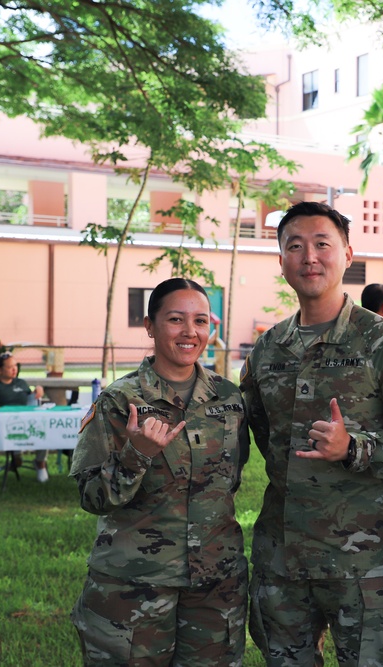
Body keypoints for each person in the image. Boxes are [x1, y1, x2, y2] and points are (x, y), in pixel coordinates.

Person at [240, 200, 383, 667]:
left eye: (322, 244)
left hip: (362, 561)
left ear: (348, 255)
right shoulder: (269, 350)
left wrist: (354, 449)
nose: (309, 256)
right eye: (295, 246)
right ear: (282, 261)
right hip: (283, 559)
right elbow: (256, 428)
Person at [69, 278, 249, 666]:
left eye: (201, 321)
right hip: (135, 586)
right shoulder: (119, 401)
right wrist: (137, 455)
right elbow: (92, 498)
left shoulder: (228, 398)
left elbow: (231, 478)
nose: (190, 332)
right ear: (150, 326)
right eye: (175, 319)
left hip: (216, 585)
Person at [0, 352, 48, 481]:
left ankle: (40, 463)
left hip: (26, 422)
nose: (14, 369)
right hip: (3, 426)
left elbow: (30, 400)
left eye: (15, 366)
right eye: (10, 366)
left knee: (44, 428)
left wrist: (37, 391)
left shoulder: (21, 383)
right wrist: (11, 414)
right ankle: (16, 460)